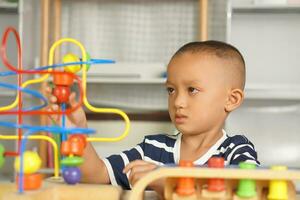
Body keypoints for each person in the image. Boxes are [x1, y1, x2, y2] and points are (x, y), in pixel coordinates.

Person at [47, 40, 259, 195]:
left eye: (192, 90)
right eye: (171, 90)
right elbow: (97, 175)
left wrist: (166, 179)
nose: (178, 102)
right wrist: (75, 132)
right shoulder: (153, 149)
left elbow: (245, 191)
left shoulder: (236, 150)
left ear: (231, 99)